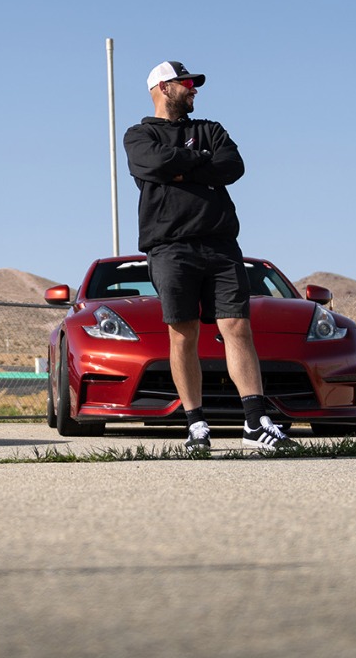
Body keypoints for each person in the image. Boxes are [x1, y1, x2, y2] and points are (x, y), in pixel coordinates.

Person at [123, 60, 298, 454]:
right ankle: (196, 425)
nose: (194, 90)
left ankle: (255, 422)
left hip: (221, 244)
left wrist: (181, 168)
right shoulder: (139, 135)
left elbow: (232, 166)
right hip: (170, 246)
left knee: (237, 326)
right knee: (183, 333)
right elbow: (153, 162)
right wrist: (202, 162)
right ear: (163, 88)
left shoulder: (211, 130)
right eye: (186, 83)